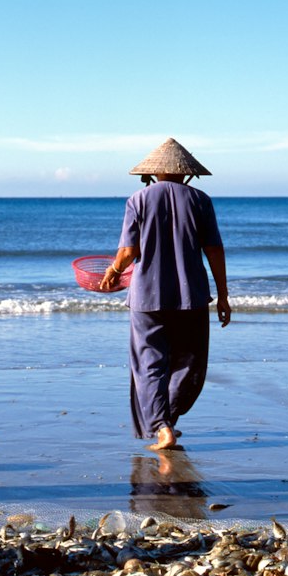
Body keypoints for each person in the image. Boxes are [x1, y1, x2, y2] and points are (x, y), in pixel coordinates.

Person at [99, 137, 231, 450]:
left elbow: (129, 251)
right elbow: (214, 250)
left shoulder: (138, 200)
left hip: (147, 297)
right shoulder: (201, 200)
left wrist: (113, 271)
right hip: (192, 296)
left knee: (149, 363)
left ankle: (161, 426)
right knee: (190, 361)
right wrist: (223, 295)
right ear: (187, 174)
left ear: (154, 173)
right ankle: (168, 418)